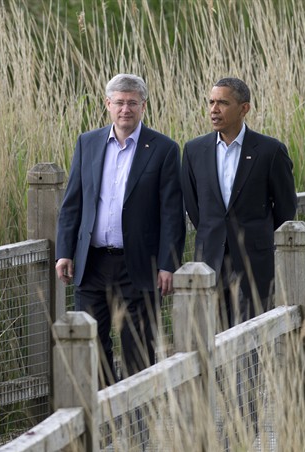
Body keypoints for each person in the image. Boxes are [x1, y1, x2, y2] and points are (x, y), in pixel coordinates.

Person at [55, 73, 186, 388]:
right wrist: (64, 252)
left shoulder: (164, 149)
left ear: (143, 106)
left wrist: (168, 263)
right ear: (107, 105)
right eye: (119, 103)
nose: (125, 109)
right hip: (93, 263)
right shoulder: (88, 143)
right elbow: (72, 203)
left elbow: (172, 213)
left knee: (137, 347)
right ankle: (104, 417)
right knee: (91, 344)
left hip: (139, 265)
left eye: (132, 103)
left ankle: (139, 425)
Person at [181, 77, 297, 329]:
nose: (214, 109)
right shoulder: (194, 150)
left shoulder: (270, 151)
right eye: (211, 102)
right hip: (210, 260)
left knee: (254, 336)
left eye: (223, 103)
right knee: (212, 338)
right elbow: (194, 206)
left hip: (254, 262)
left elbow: (286, 211)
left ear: (244, 108)